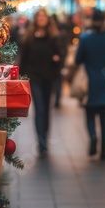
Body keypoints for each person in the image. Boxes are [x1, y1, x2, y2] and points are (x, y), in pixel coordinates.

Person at [75, 9, 105, 160]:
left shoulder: (85, 39)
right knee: (104, 118)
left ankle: (93, 136)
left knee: (89, 114)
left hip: (90, 81)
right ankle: (104, 151)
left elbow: (78, 59)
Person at [19, 9, 61, 157]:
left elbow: (60, 56)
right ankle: (41, 142)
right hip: (34, 78)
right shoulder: (29, 38)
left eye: (44, 16)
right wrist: (21, 78)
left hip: (49, 78)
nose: (42, 19)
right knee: (40, 109)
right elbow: (23, 59)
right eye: (39, 16)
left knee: (46, 110)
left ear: (48, 19)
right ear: (36, 19)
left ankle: (45, 137)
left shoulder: (53, 37)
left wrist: (57, 59)